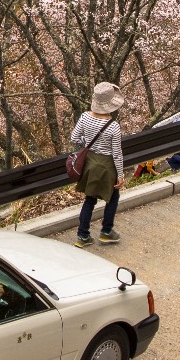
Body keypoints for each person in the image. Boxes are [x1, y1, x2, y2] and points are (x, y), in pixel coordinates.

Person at [69, 82, 126, 247]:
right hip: (107, 166)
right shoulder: (113, 127)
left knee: (90, 199)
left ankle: (83, 235)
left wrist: (87, 143)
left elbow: (74, 138)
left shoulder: (85, 117)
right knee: (113, 197)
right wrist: (120, 175)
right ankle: (107, 232)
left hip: (90, 163)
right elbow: (116, 153)